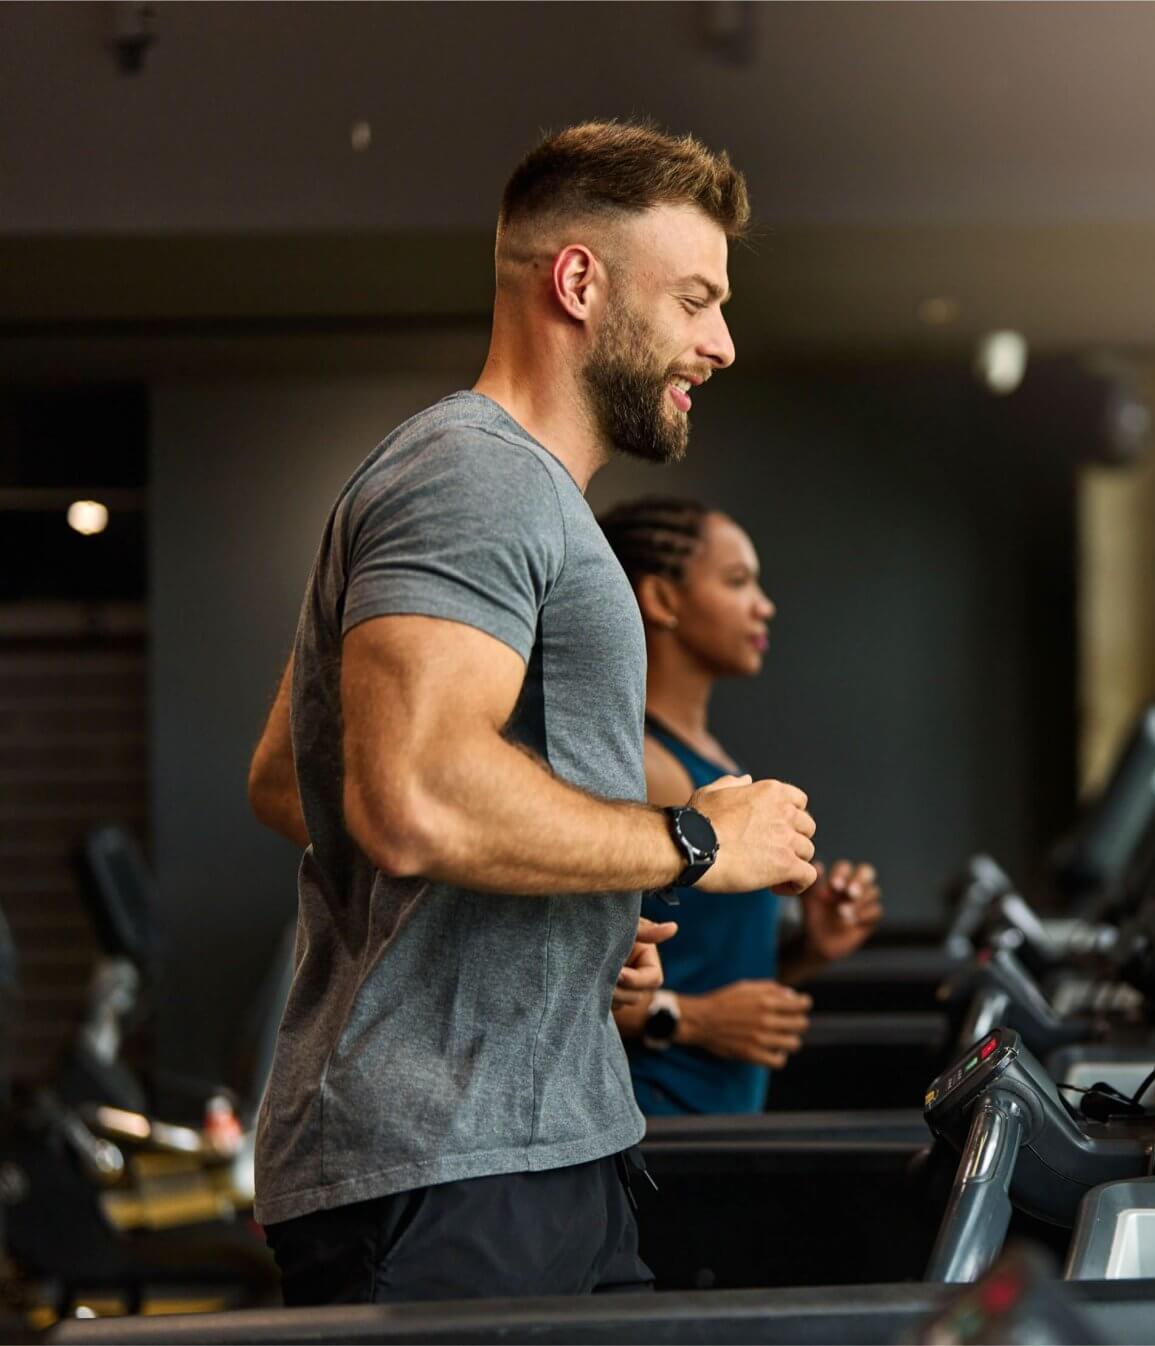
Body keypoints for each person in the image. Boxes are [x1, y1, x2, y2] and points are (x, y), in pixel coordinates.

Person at [243, 121, 820, 1305]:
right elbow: (409, 795)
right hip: (451, 1161)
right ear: (577, 281)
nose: (719, 342)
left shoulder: (517, 492)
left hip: (530, 1137)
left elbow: (286, 773)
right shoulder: (475, 476)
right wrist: (693, 841)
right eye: (695, 300)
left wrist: (565, 935)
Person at [601, 498, 884, 1116]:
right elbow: (564, 987)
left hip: (716, 1116)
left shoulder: (702, 756)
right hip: (659, 1122)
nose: (765, 604)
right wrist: (689, 1020)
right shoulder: (647, 765)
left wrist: (806, 951)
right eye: (737, 582)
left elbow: (704, 967)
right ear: (663, 599)